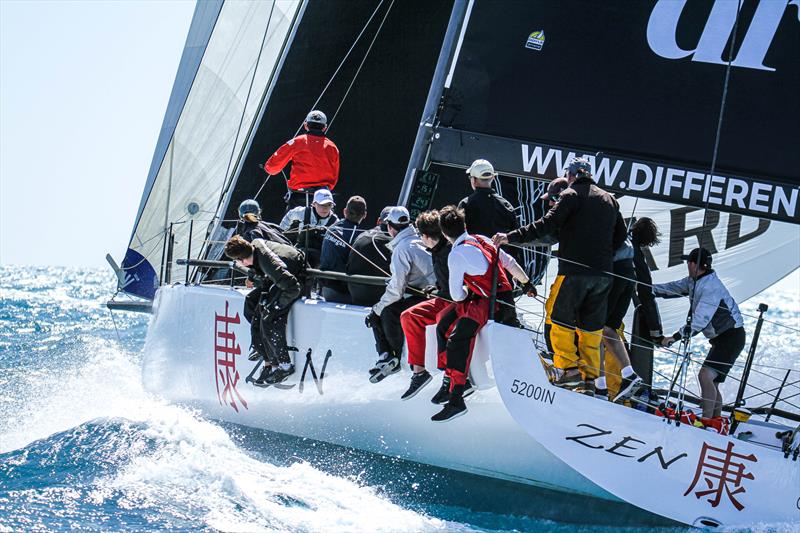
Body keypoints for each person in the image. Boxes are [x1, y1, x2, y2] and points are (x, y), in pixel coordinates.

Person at [494, 157, 627, 397]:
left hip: (575, 272)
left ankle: (567, 370)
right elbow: (620, 236)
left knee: (559, 320)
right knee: (590, 330)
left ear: (572, 175)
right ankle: (589, 380)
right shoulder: (610, 199)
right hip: (603, 275)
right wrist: (601, 254)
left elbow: (546, 224)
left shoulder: (570, 195)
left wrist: (510, 237)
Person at [433, 206, 535, 422]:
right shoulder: (482, 238)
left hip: (491, 305)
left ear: (444, 233)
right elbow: (510, 263)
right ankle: (448, 381)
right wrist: (527, 284)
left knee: (457, 338)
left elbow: (456, 295)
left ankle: (457, 396)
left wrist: (468, 291)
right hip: (505, 301)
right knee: (443, 321)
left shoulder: (456, 253)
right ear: (465, 226)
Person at [652, 248, 745, 428]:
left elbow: (700, 320)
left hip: (731, 337)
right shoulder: (695, 281)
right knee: (713, 382)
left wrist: (674, 337)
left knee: (705, 376)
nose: (687, 265)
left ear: (693, 264)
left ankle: (706, 422)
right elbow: (672, 288)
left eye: (689, 262)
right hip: (725, 338)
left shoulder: (711, 287)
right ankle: (716, 421)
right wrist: (648, 289)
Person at [366, 206, 435, 383]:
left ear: (390, 226)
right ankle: (388, 356)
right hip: (432, 292)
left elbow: (396, 290)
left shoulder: (402, 248)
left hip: (428, 295)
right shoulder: (417, 239)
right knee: (386, 309)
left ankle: (390, 357)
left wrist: (376, 310)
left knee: (384, 312)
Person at [224, 235, 304, 385]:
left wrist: (277, 306)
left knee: (269, 316)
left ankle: (284, 365)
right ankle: (267, 358)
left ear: (243, 260)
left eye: (238, 261)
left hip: (292, 279)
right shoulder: (254, 248)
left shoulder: (269, 264)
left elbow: (293, 287)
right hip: (278, 279)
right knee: (251, 303)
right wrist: (254, 276)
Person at [397, 210, 452, 401]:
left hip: (456, 302)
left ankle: (451, 377)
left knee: (444, 321)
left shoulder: (447, 253)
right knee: (408, 316)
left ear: (427, 237)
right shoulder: (437, 251)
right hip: (444, 297)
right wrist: (436, 289)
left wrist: (441, 291)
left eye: (421, 235)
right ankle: (419, 372)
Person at [264, 110, 340, 210]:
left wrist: (267, 168)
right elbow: (334, 177)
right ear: (325, 127)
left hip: (299, 197)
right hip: (323, 200)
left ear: (305, 125)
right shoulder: (333, 147)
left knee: (293, 224)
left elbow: (272, 168)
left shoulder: (297, 142)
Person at [319, 196, 367, 303]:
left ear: (345, 211)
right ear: (364, 215)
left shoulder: (332, 227)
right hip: (340, 291)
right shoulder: (360, 236)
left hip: (323, 287)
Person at [458, 159, 519, 239]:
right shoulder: (506, 205)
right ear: (493, 178)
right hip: (498, 251)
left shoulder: (465, 204)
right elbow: (514, 238)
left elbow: (458, 236)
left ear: (473, 180)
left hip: (472, 250)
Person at [279, 188, 339, 268]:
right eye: (322, 205)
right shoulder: (302, 212)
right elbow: (287, 219)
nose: (325, 208)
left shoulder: (335, 222)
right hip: (300, 252)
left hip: (320, 258)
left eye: (329, 205)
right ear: (314, 204)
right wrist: (281, 233)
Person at [346, 206, 393, 306]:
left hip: (354, 293)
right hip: (376, 299)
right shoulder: (390, 242)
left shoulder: (361, 235)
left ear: (378, 221)